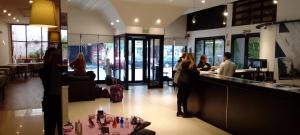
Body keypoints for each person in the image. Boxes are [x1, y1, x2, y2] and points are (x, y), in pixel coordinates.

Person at [39, 48, 63, 135]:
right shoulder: (44, 71)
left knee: (62, 127)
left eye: (58, 56)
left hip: (60, 102)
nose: (56, 58)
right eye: (54, 56)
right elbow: (46, 78)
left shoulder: (61, 70)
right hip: (50, 102)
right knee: (49, 129)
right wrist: (49, 62)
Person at [177, 53, 199, 118]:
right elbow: (195, 74)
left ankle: (179, 111)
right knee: (184, 97)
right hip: (186, 82)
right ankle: (185, 113)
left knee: (179, 96)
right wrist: (198, 72)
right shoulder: (192, 64)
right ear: (192, 57)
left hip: (180, 81)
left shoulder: (182, 63)